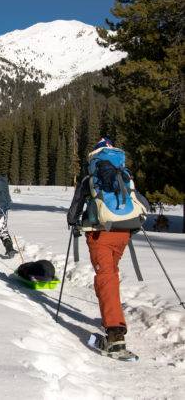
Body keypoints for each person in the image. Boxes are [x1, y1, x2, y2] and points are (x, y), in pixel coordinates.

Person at [67, 137, 148, 359]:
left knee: (106, 277)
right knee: (109, 275)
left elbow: (75, 208)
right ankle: (111, 314)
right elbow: (140, 201)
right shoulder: (124, 173)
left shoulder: (90, 176)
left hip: (100, 233)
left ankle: (115, 335)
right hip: (123, 233)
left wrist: (73, 223)